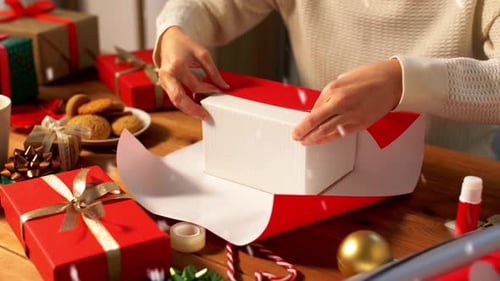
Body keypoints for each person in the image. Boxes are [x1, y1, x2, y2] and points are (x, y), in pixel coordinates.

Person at [153, 0, 500, 159]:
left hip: (449, 177)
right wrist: (174, 30)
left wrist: (401, 81)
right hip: (321, 161)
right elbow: (209, 7)